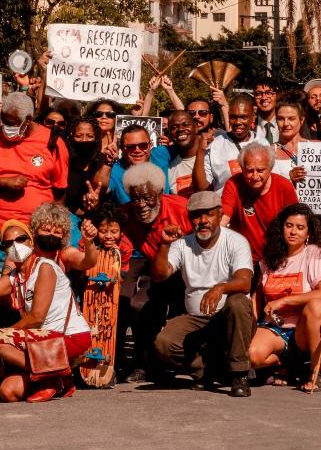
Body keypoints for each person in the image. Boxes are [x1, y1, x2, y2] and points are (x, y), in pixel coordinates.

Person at [0, 208, 92, 403]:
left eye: (20, 239)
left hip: (68, 337)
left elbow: (37, 317)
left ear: (31, 240)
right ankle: (58, 378)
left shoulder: (45, 267)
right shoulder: (17, 275)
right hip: (41, 341)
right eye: (8, 243)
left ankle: (51, 378)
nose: (15, 246)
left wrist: (8, 335)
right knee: (8, 392)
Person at [151, 191, 254, 397]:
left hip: (228, 318)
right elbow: (160, 275)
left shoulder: (235, 241)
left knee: (238, 302)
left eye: (209, 214)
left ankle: (239, 374)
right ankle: (206, 371)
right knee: (164, 343)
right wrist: (163, 245)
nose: (203, 221)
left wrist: (220, 288)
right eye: (197, 216)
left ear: (219, 214)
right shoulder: (182, 244)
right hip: (196, 318)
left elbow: (244, 282)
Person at [0, 92, 69, 277]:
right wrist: (0, 182)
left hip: (36, 235)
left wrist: (54, 233)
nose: (7, 128)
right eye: (4, 121)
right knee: (3, 289)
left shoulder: (53, 142)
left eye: (13, 123)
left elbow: (60, 190)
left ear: (29, 119)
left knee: (32, 289)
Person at [248, 203, 321, 392]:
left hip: (303, 328)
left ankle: (315, 374)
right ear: (281, 227)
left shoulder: (314, 254)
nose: (293, 231)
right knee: (253, 355)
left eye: (300, 227)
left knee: (317, 305)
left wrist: (284, 300)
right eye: (289, 225)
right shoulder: (269, 259)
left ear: (308, 232)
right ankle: (284, 364)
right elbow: (257, 298)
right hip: (275, 327)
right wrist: (250, 325)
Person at [120, 163, 191, 382]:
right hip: (157, 270)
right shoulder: (126, 214)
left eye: (147, 198)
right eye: (136, 199)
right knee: (138, 305)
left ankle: (181, 361)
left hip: (187, 271)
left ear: (160, 193)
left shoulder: (182, 208)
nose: (141, 205)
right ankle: (142, 363)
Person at [221, 143, 298, 263]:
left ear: (270, 167)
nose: (255, 176)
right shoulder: (233, 184)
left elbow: (295, 224)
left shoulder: (284, 187)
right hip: (243, 260)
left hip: (277, 259)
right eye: (249, 171)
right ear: (241, 168)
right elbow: (224, 217)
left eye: (260, 170)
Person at [194, 94, 259, 194]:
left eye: (243, 117)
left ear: (252, 118)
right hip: (224, 206)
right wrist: (200, 152)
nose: (238, 122)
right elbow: (202, 187)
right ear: (228, 117)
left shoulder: (262, 142)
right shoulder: (215, 144)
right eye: (233, 117)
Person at [108, 124, 170, 205]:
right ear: (122, 148)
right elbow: (101, 189)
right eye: (131, 147)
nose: (137, 150)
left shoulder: (161, 154)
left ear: (150, 145)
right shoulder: (115, 170)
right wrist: (107, 162)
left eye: (143, 145)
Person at [64, 116, 109, 217]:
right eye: (79, 136)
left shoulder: (104, 162)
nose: (84, 140)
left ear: (96, 137)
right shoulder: (64, 161)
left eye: (89, 136)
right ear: (71, 137)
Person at [166, 110, 201, 198]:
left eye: (185, 125)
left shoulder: (212, 156)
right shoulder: (169, 168)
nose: (180, 129)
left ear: (196, 127)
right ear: (170, 133)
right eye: (174, 127)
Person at [271, 101, 308, 184]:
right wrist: (289, 179)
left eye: (291, 119)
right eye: (281, 119)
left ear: (301, 120)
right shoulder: (269, 152)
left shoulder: (315, 146)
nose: (286, 124)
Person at [254, 78, 280, 145]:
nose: (264, 98)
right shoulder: (249, 126)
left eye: (269, 93)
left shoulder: (286, 124)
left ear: (277, 96)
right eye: (258, 94)